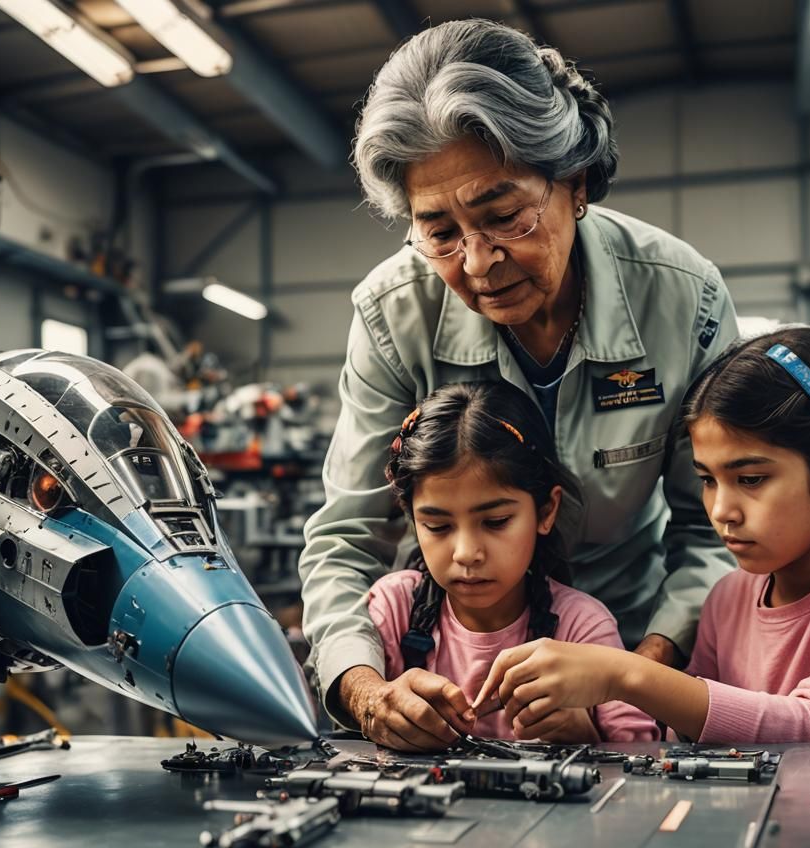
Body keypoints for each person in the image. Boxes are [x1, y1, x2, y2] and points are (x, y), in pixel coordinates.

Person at [299, 18, 738, 747]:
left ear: (576, 183)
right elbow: (347, 536)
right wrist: (369, 693)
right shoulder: (390, 315)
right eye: (438, 233)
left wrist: (633, 677)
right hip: (451, 669)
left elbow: (713, 531)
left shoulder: (682, 299)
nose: (476, 263)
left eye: (503, 217)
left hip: (638, 639)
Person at [474, 326, 810, 743]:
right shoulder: (728, 598)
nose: (722, 510)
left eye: (750, 479)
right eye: (707, 479)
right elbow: (688, 736)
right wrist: (586, 729)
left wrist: (625, 674)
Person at [368, 381, 657, 747]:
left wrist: (584, 734)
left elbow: (641, 757)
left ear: (546, 511)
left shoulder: (582, 627)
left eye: (495, 522)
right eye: (438, 526)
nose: (466, 553)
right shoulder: (394, 609)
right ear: (412, 518)